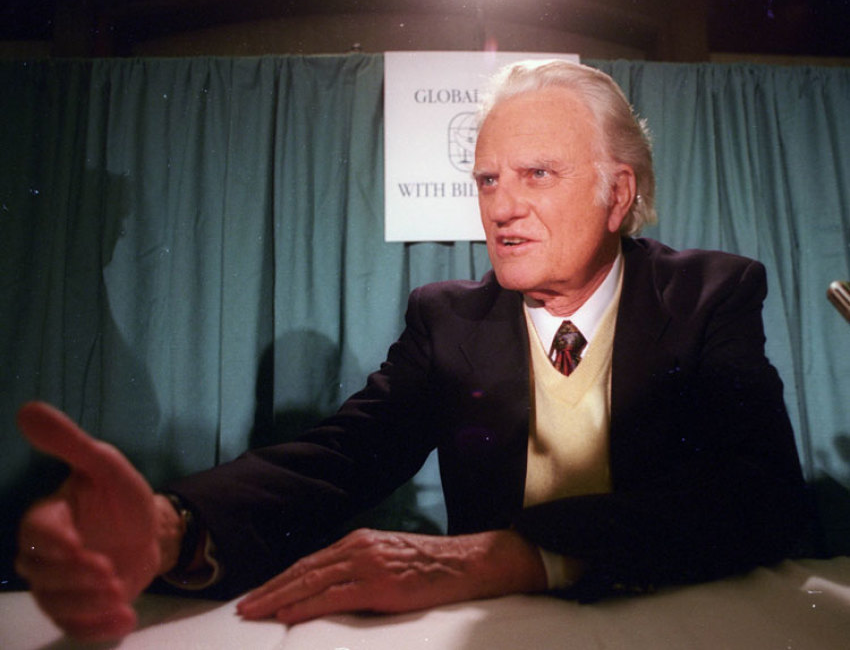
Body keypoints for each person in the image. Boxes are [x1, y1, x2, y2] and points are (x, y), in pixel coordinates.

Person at [15, 60, 810, 642]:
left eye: (537, 174)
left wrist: (516, 556)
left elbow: (757, 494)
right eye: (488, 179)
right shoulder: (449, 320)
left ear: (618, 194)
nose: (503, 207)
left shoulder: (711, 295)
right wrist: (175, 526)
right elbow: (338, 459)